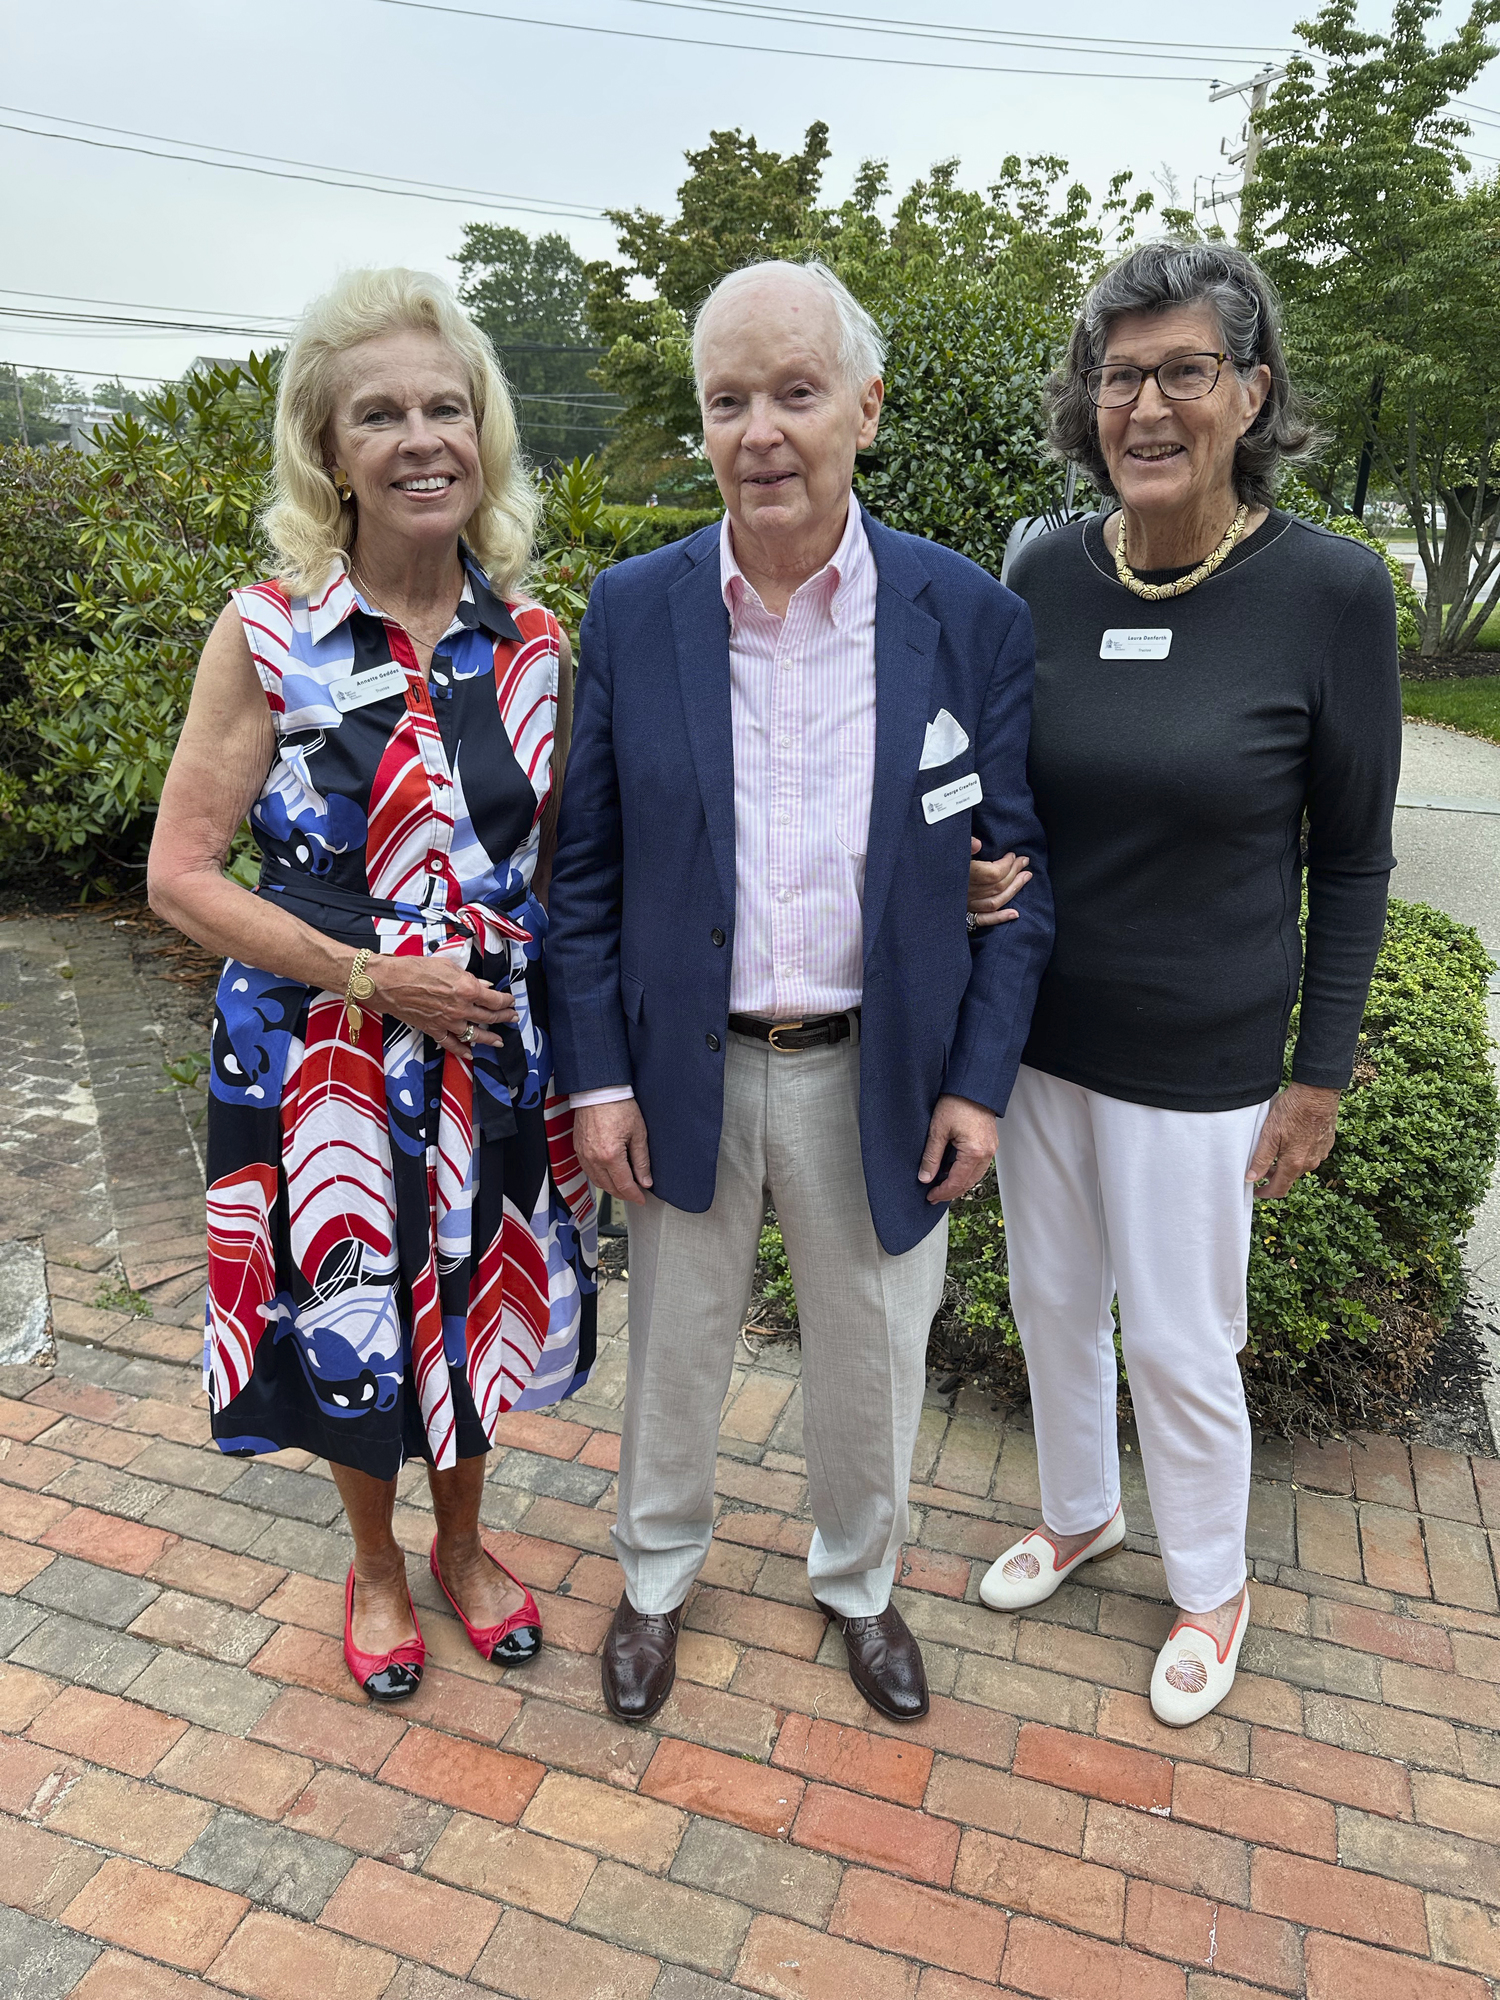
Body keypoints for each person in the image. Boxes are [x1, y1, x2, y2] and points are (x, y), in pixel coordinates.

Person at [546, 259, 1053, 1725]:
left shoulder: (967, 617)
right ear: (703, 425)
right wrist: (596, 1082)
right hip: (685, 1061)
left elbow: (1018, 880)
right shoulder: (635, 611)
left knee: (875, 1356)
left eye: (796, 391)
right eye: (728, 400)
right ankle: (653, 1579)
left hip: (879, 1067)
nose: (760, 430)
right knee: (674, 1354)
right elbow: (585, 880)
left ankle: (862, 1583)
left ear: (866, 408)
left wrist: (977, 1080)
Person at [148, 269, 597, 1703]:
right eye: (381, 413)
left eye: (446, 407)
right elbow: (183, 876)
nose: (421, 438)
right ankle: (381, 1566)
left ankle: (466, 1546)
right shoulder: (271, 632)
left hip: (490, 1051)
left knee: (475, 1309)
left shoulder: (538, 645)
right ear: (328, 451)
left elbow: (577, 870)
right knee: (349, 1314)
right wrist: (365, 974)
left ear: (486, 435)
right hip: (323, 1054)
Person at [974, 240, 1401, 1725]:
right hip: (1040, 1037)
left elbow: (1349, 858)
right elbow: (998, 790)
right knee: (1050, 1299)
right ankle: (1083, 1511)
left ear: (1252, 393)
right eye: (1118, 374)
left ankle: (1212, 1578)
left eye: (1184, 372)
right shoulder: (1042, 569)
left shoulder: (1330, 592)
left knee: (1175, 1332)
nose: (1145, 404)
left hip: (1204, 1053)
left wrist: (1321, 1072)